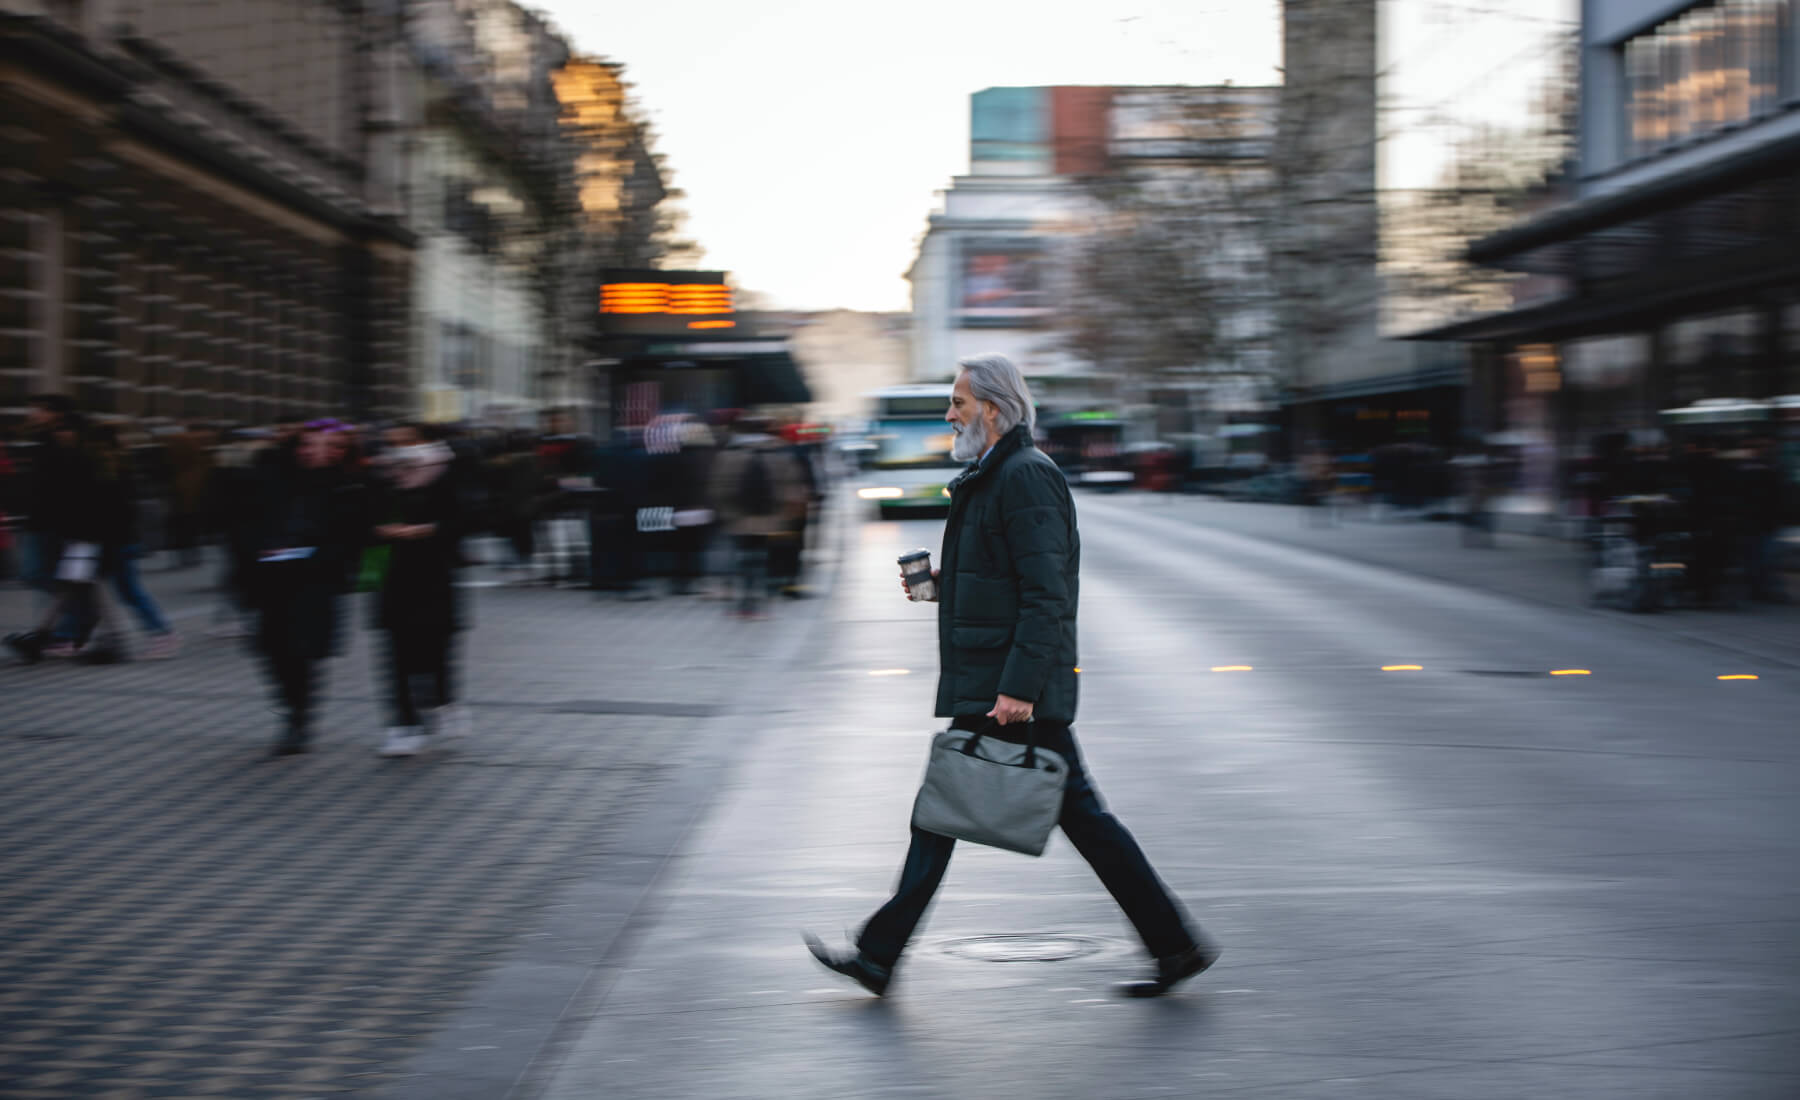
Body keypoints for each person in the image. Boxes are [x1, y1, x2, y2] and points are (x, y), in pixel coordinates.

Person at [805, 354, 1218, 998]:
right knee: (1049, 819)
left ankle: (879, 956)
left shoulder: (1025, 476)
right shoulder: (995, 474)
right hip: (999, 680)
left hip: (1013, 688)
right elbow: (1008, 577)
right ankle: (1174, 945)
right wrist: (947, 586)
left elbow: (1046, 594)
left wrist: (1021, 688)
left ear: (992, 409)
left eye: (958, 404)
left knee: (950, 814)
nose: (949, 414)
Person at [249, 422, 365, 756]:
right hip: (273, 578)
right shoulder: (276, 479)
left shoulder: (343, 485)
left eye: (319, 445)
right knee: (271, 650)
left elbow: (349, 537)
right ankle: (289, 704)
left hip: (315, 581)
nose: (311, 451)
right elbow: (251, 519)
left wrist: (317, 558)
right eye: (305, 444)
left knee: (303, 652)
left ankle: (299, 719)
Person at [367, 423, 468, 757]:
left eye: (407, 441)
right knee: (395, 653)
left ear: (425, 442)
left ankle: (444, 701)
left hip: (434, 574)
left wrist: (427, 530)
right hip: (392, 576)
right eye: (392, 442)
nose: (399, 449)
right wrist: (380, 529)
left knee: (436, 650)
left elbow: (463, 519)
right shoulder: (382, 476)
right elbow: (362, 518)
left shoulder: (446, 473)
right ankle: (402, 726)